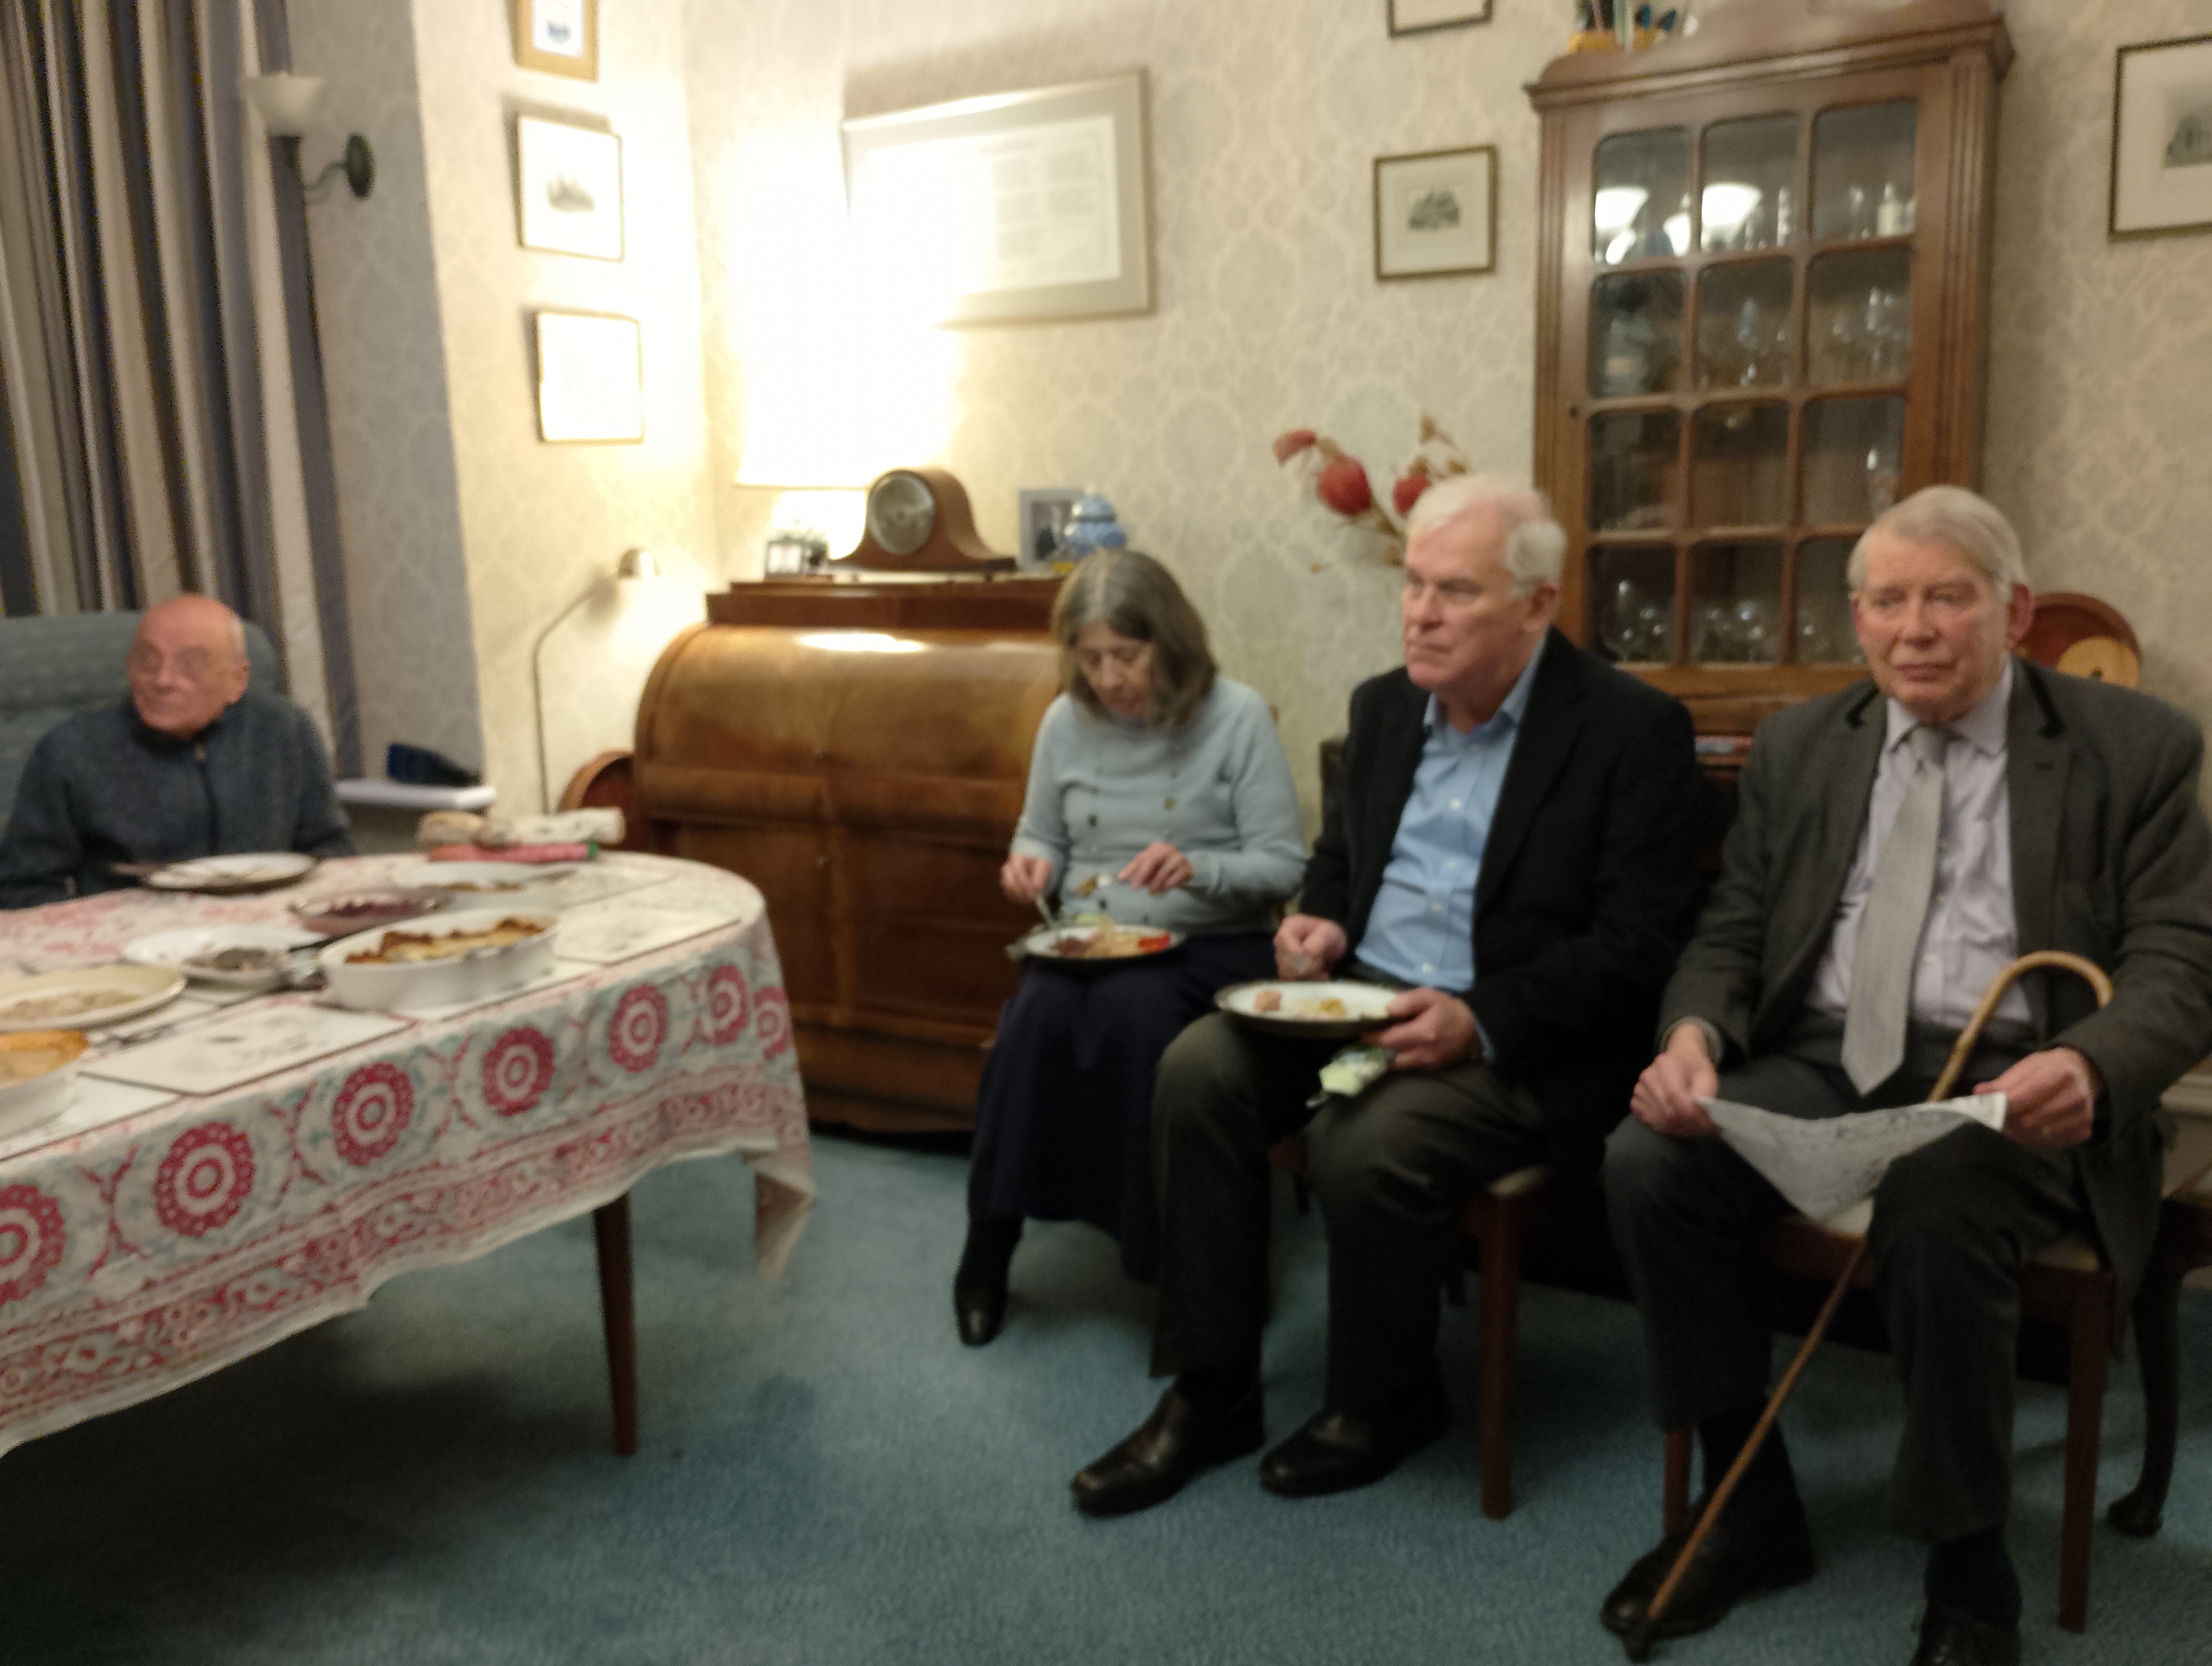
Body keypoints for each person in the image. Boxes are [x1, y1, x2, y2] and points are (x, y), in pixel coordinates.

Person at [1599, 486, 2212, 1666]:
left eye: (1948, 597)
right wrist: (1693, 1041)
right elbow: (1733, 928)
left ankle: (1971, 1571)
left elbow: (2185, 960)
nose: (1915, 628)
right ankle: (1747, 1507)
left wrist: (2092, 1061)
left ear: (2015, 611)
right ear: (1858, 618)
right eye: (1887, 601)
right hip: (1832, 1055)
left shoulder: (2133, 747)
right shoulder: (1800, 743)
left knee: (1936, 1200)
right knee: (1649, 1161)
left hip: (2014, 1073)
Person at [1066, 475, 1703, 1514]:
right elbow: (1338, 861)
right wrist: (1320, 922)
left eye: (1456, 591)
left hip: (1510, 1037)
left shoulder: (1631, 731)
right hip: (1358, 999)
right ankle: (1211, 1387)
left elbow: (1639, 946)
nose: (1420, 611)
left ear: (1537, 605)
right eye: (1413, 583)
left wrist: (1483, 1018)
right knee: (1195, 1071)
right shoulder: (1384, 706)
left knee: (1365, 1141)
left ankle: (1387, 1399)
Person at [956, 549, 1305, 1345]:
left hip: (1209, 944)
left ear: (1171, 641)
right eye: (1090, 658)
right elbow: (1040, 830)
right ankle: (988, 1242)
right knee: (1034, 1017)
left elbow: (1285, 864)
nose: (1110, 678)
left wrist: (1201, 866)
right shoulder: (1064, 720)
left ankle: (1162, 1258)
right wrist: (1030, 862)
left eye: (1128, 655)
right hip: (1089, 938)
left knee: (1138, 1014)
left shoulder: (1237, 715)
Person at [0, 595, 352, 908]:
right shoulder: (69, 750)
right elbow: (23, 887)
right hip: (134, 944)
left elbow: (330, 851)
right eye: (148, 662)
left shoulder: (284, 730)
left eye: (191, 666)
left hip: (272, 926)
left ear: (238, 679)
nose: (164, 680)